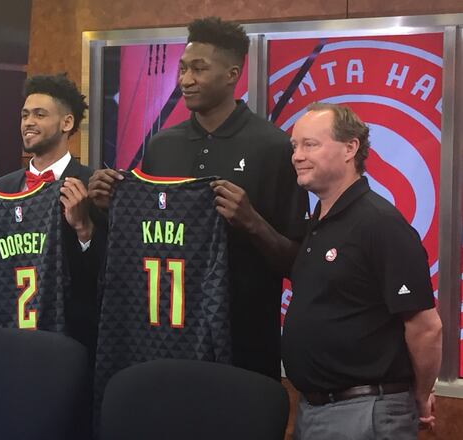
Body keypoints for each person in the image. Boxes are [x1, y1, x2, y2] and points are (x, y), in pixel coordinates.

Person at [89, 17, 308, 379]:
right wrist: (105, 207)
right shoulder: (162, 146)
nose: (185, 80)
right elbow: (147, 238)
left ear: (232, 74)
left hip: (245, 344)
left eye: (198, 69)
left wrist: (252, 223)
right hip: (163, 338)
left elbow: (298, 264)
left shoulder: (272, 147)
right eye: (182, 68)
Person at [282, 102, 442, 439]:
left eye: (310, 144)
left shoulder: (379, 224)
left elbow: (426, 328)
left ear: (350, 148)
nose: (297, 155)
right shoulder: (320, 222)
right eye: (295, 146)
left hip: (366, 415)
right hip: (313, 410)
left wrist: (419, 397)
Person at [0, 73, 99, 351]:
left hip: (70, 335)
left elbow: (105, 273)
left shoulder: (91, 184)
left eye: (40, 114)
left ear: (67, 122)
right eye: (25, 114)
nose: (28, 122)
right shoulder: (5, 184)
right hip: (7, 326)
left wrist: (84, 230)